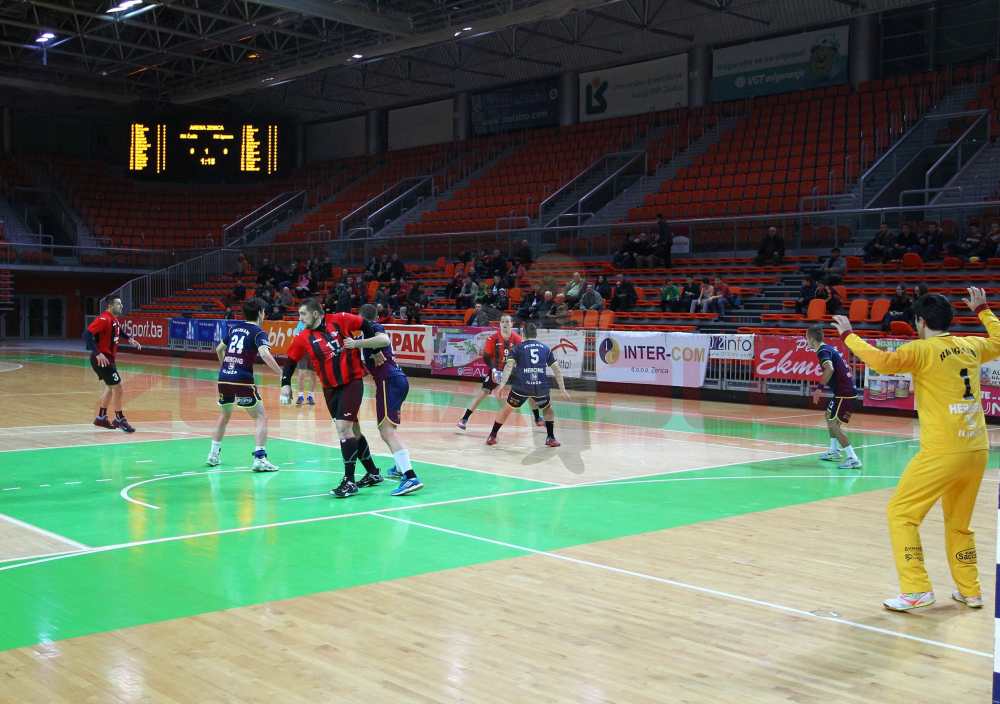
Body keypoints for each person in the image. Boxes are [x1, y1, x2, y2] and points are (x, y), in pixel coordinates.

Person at [832, 287, 1000, 612]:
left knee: (901, 514)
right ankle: (971, 591)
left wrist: (849, 335)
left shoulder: (922, 350)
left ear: (920, 321)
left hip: (943, 451)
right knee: (959, 523)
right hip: (977, 449)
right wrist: (984, 311)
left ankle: (916, 588)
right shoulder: (972, 345)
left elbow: (882, 362)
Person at [279, 299, 387, 498]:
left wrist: (375, 350)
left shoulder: (340, 319)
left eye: (303, 314)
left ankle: (349, 481)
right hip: (330, 389)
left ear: (315, 313)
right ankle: (373, 472)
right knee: (353, 430)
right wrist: (285, 383)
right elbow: (291, 361)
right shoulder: (303, 337)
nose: (300, 318)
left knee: (343, 428)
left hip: (351, 382)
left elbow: (366, 325)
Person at [207, 298, 284, 471]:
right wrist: (282, 374)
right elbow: (265, 354)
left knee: (224, 415)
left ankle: (213, 454)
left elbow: (219, 349)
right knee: (261, 417)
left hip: (224, 377)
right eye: (264, 311)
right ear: (260, 313)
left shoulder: (235, 328)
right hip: (242, 379)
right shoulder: (258, 332)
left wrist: (225, 367)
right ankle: (260, 458)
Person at [356, 304, 423, 496]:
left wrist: (356, 344)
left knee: (386, 431)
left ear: (360, 318)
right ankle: (400, 466)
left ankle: (410, 477)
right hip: (395, 380)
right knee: (389, 428)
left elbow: (383, 339)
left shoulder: (372, 327)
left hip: (389, 381)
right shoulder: (366, 336)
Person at [486, 322, 569, 447]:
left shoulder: (517, 348)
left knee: (507, 409)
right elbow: (557, 369)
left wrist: (502, 384)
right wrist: (562, 389)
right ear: (536, 334)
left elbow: (509, 366)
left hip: (521, 386)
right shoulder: (545, 348)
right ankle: (550, 438)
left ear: (523, 334)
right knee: (547, 409)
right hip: (540, 387)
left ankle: (492, 436)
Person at [457, 314, 543, 430]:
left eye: (507, 322)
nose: (505, 324)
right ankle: (464, 419)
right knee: (483, 392)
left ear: (512, 324)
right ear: (500, 324)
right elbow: (487, 357)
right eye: (502, 322)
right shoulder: (492, 338)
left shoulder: (518, 339)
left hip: (512, 370)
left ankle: (537, 418)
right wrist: (494, 370)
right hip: (497, 370)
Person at [804, 325, 861, 470]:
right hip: (843, 393)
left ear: (811, 339)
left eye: (806, 338)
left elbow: (829, 368)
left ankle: (853, 458)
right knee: (828, 415)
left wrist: (819, 388)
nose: (806, 341)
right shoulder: (828, 348)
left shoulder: (822, 351)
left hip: (845, 395)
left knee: (834, 425)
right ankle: (834, 451)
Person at [86, 296, 142, 433]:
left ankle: (101, 417)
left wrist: (129, 338)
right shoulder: (104, 319)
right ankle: (119, 419)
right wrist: (98, 353)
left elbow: (118, 330)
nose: (121, 306)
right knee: (118, 388)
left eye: (121, 304)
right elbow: (86, 334)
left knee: (110, 387)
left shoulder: (113, 319)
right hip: (102, 359)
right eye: (118, 304)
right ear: (110, 305)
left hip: (109, 359)